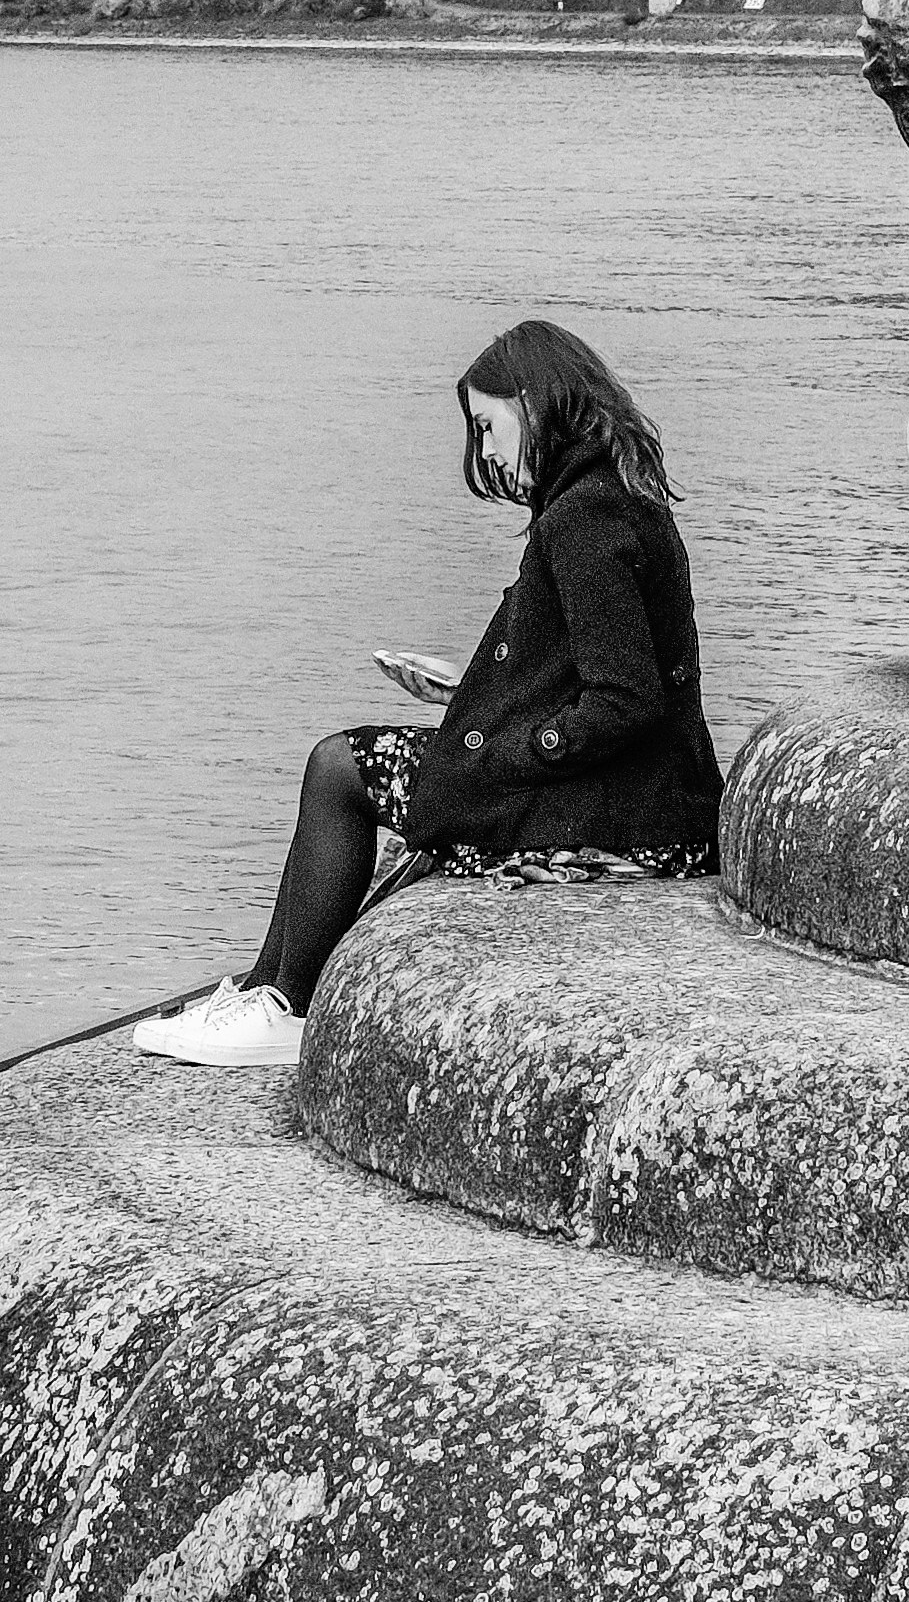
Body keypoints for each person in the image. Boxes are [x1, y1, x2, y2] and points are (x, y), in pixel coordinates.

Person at [133, 318, 723, 1071]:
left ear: (533, 405)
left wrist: (511, 745)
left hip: (621, 825)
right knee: (347, 766)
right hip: (640, 799)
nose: (485, 452)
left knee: (340, 769)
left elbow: (626, 698)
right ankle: (262, 991)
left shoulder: (585, 517)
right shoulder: (613, 495)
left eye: (487, 426)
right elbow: (597, 669)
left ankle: (289, 1006)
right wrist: (471, 697)